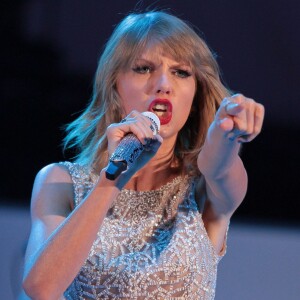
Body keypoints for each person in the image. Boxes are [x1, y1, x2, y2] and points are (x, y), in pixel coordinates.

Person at [22, 10, 264, 300]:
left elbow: (219, 165)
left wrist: (226, 131)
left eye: (181, 72)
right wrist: (112, 179)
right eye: (144, 68)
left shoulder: (203, 187)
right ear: (115, 84)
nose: (163, 83)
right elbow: (41, 288)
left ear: (196, 93)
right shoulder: (60, 182)